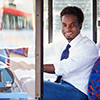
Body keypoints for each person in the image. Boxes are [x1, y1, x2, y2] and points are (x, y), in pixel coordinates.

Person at [43, 6, 98, 100]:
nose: (67, 29)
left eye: (72, 25)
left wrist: (35, 67)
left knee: (32, 84)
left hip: (76, 92)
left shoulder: (88, 47)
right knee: (25, 80)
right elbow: (40, 51)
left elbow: (64, 67)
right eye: (64, 25)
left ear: (80, 25)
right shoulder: (63, 43)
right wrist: (14, 51)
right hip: (62, 85)